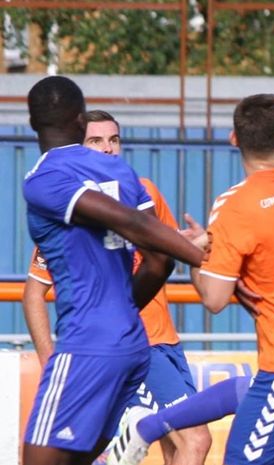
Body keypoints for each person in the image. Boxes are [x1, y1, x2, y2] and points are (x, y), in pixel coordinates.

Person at [107, 93, 274, 465]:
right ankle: (150, 427)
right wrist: (213, 237)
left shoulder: (235, 205)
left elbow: (214, 298)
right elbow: (273, 227)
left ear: (233, 139)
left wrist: (195, 255)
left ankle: (148, 428)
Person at [22, 75, 205, 465]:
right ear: (80, 119)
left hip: (86, 342)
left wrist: (200, 256)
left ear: (32, 121)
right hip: (134, 342)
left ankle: (138, 432)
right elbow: (160, 259)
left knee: (36, 460)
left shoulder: (43, 181)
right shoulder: (124, 175)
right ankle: (135, 435)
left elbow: (139, 229)